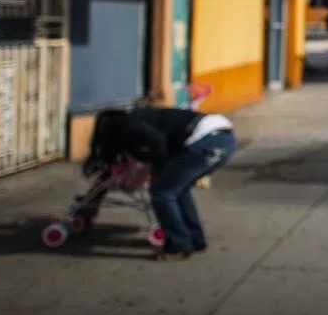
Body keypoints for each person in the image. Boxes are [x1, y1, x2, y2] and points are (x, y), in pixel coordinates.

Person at [87, 105, 236, 261]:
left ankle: (178, 246)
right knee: (178, 189)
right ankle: (194, 240)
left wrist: (158, 171)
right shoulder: (143, 117)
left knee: (161, 192)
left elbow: (159, 145)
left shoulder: (133, 126)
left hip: (207, 139)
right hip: (224, 137)